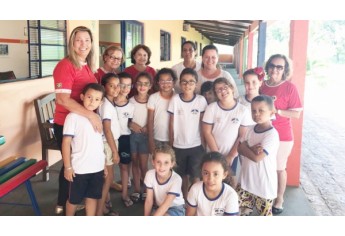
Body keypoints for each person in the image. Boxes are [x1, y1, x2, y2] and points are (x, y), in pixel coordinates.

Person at [53, 26, 100, 215]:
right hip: (67, 123)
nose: (83, 44)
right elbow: (62, 99)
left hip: (82, 124)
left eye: (87, 40)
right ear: (72, 43)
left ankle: (69, 201)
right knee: (70, 166)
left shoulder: (86, 64)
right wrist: (91, 115)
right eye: (79, 40)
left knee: (78, 164)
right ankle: (62, 206)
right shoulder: (66, 65)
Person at [260, 54, 303, 215]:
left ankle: (279, 198)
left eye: (280, 67)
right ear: (268, 67)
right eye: (272, 65)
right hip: (263, 132)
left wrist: (276, 111)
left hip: (282, 135)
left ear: (285, 70)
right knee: (264, 166)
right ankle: (265, 195)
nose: (275, 69)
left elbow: (296, 113)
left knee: (279, 168)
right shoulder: (262, 85)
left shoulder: (289, 87)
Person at [62, 83, 106, 216]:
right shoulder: (72, 117)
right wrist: (67, 167)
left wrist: (103, 164)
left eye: (97, 99)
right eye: (89, 97)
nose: (92, 101)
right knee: (73, 200)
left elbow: (100, 144)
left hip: (96, 168)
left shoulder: (97, 118)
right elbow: (66, 142)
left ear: (101, 102)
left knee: (92, 197)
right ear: (82, 97)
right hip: (79, 169)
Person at [202, 77, 252, 188]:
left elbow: (242, 136)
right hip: (213, 153)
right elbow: (207, 132)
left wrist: (230, 156)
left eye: (225, 87)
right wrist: (217, 155)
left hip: (232, 155)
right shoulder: (212, 108)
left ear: (232, 88)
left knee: (230, 180)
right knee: (212, 181)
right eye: (218, 90)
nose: (222, 91)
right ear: (215, 94)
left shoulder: (243, 110)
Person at [168, 68, 207, 200]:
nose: (187, 85)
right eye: (184, 81)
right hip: (178, 146)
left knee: (196, 175)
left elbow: (203, 125)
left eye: (191, 82)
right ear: (179, 83)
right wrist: (171, 143)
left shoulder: (201, 100)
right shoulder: (175, 100)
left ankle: (195, 201)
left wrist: (204, 144)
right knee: (182, 175)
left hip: (196, 145)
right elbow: (171, 123)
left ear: (196, 84)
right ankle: (185, 199)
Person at [237, 95, 279, 216]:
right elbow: (239, 149)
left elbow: (257, 158)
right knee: (238, 213)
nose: (257, 114)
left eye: (261, 110)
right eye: (253, 111)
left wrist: (245, 147)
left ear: (272, 112)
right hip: (245, 183)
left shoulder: (272, 135)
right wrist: (249, 149)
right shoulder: (250, 129)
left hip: (264, 187)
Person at [96, 73, 121, 216]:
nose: (116, 88)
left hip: (110, 143)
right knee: (109, 178)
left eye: (118, 85)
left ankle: (104, 208)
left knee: (107, 178)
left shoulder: (110, 102)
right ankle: (99, 212)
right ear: (104, 87)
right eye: (112, 86)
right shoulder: (105, 105)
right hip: (107, 144)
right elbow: (106, 129)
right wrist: (115, 151)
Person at [186, 152, 239, 216]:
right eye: (206, 173)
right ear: (201, 173)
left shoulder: (231, 195)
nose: (210, 179)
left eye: (216, 174)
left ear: (224, 175)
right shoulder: (195, 189)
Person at [129, 72, 152, 203]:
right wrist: (131, 124)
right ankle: (137, 189)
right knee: (135, 162)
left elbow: (155, 118)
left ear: (150, 86)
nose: (142, 86)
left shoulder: (152, 100)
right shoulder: (131, 101)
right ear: (135, 85)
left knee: (144, 165)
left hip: (145, 136)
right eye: (139, 83)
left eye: (146, 84)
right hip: (133, 136)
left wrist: (148, 127)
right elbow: (126, 118)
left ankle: (145, 190)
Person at [144, 143, 185, 216]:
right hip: (158, 206)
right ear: (153, 162)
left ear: (172, 164)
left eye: (166, 162)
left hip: (175, 207)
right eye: (158, 162)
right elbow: (149, 200)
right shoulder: (149, 175)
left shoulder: (176, 179)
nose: (162, 166)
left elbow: (166, 205)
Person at [114, 72, 135, 208]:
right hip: (109, 139)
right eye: (122, 85)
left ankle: (125, 193)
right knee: (107, 169)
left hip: (125, 139)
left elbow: (130, 123)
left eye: (128, 85)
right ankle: (105, 199)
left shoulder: (131, 105)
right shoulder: (108, 103)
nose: (126, 88)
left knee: (124, 167)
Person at [147, 68, 177, 155]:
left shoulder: (177, 98)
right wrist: (151, 141)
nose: (165, 84)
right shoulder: (153, 98)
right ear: (158, 82)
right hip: (157, 138)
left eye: (168, 81)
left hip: (174, 139)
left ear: (174, 82)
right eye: (162, 81)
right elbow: (150, 120)